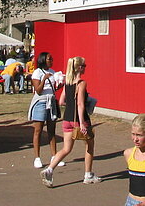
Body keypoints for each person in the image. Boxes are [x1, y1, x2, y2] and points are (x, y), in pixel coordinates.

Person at [40, 56, 101, 187]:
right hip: (79, 119)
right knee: (89, 146)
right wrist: (83, 122)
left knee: (66, 148)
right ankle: (88, 174)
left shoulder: (67, 82)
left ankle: (49, 169)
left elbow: (62, 101)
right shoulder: (81, 83)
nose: (85, 68)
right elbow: (80, 104)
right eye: (84, 66)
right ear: (79, 68)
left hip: (67, 119)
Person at [30, 51, 63, 169]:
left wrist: (59, 86)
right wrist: (44, 79)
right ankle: (37, 157)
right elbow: (38, 90)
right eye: (49, 59)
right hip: (41, 102)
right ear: (43, 60)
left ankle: (54, 156)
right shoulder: (37, 72)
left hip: (51, 101)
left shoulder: (53, 72)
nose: (51, 60)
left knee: (52, 130)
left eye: (52, 58)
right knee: (38, 130)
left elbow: (52, 88)